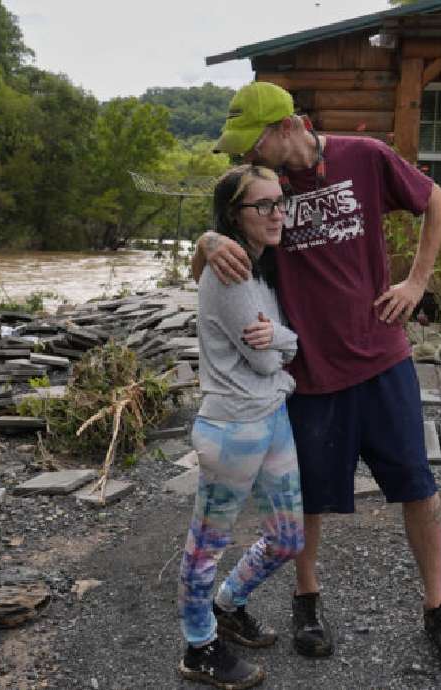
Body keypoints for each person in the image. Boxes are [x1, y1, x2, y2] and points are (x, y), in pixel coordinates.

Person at [192, 82, 441, 675]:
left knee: (417, 485)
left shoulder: (364, 156)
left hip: (382, 358)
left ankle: (438, 607)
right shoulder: (264, 192)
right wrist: (208, 237)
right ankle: (307, 601)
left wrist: (417, 282)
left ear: (289, 126)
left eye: (255, 143)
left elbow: (437, 201)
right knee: (313, 498)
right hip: (311, 371)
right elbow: (209, 245)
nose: (250, 157)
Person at [178, 164, 304, 690]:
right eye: (263, 205)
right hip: (232, 427)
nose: (277, 214)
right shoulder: (229, 271)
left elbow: (274, 346)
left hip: (271, 417)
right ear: (235, 214)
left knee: (289, 537)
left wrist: (280, 339)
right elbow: (263, 361)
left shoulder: (261, 265)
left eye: (280, 202)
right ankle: (199, 645)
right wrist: (289, 342)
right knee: (207, 544)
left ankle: (229, 604)